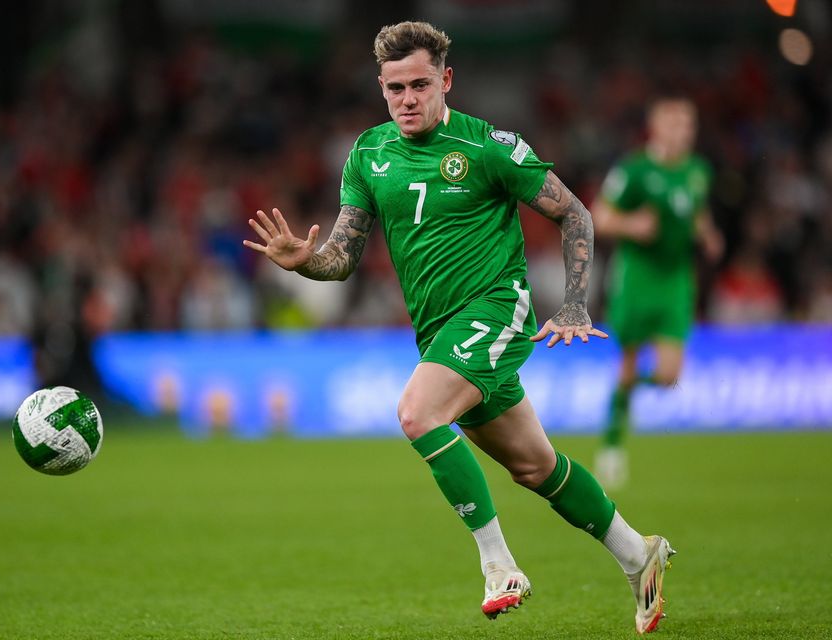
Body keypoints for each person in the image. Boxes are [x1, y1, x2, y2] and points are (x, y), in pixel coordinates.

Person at [244, 21, 673, 634]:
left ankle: (499, 566)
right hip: (438, 331)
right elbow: (340, 257)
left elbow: (575, 213)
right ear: (382, 88)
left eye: (420, 84)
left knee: (418, 413)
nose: (408, 99)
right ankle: (640, 554)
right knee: (535, 467)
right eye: (395, 89)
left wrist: (576, 302)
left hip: (495, 309)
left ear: (445, 80)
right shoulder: (369, 153)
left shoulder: (489, 146)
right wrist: (303, 260)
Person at [592, 97, 723, 488]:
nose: (681, 132)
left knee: (669, 375)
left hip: (676, 279)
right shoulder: (634, 170)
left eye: (687, 125)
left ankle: (624, 396)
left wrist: (707, 233)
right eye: (673, 124)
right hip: (637, 277)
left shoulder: (698, 171)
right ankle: (612, 446)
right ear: (655, 129)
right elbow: (601, 214)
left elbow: (694, 209)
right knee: (629, 362)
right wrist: (633, 225)